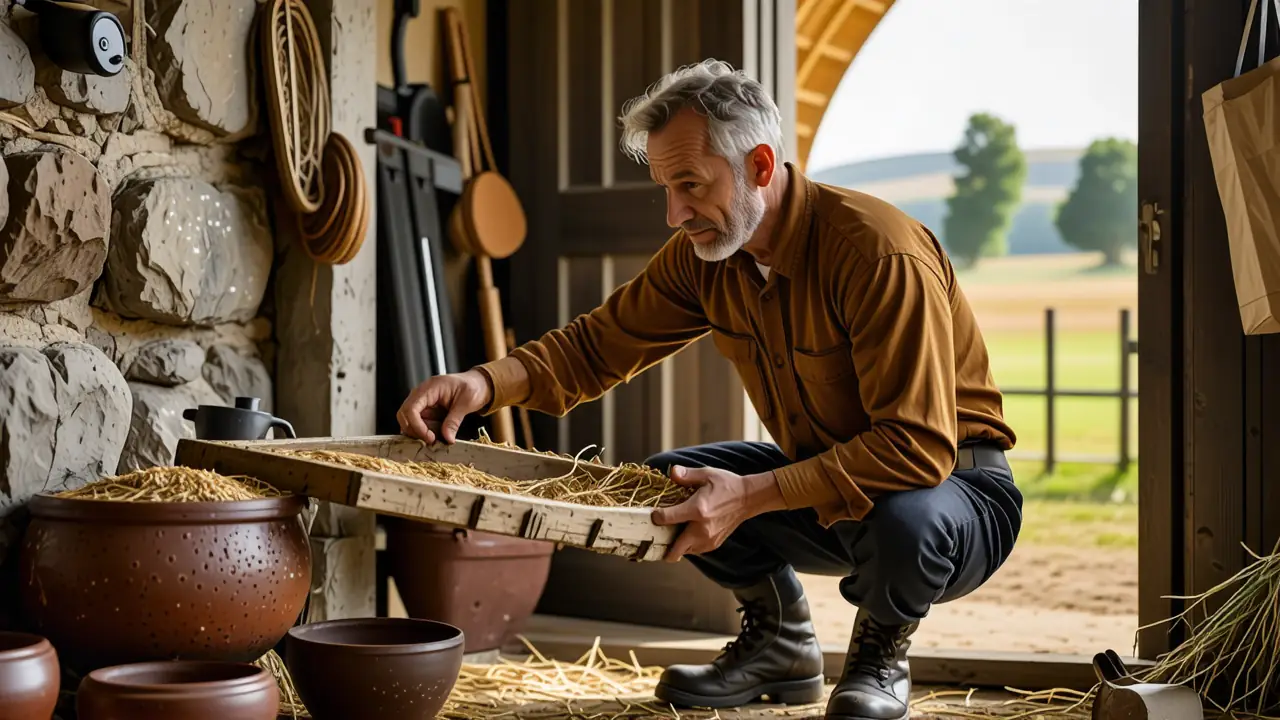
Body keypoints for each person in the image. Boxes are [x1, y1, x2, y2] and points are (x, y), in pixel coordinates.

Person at [397, 58, 1022, 720]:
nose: (674, 214)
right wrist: (481, 383)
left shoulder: (877, 254)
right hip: (832, 481)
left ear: (757, 165)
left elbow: (915, 450)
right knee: (672, 487)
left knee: (906, 514)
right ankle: (779, 644)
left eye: (690, 185)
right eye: (665, 188)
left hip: (954, 495)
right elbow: (594, 347)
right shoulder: (708, 257)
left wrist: (750, 496)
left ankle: (879, 658)